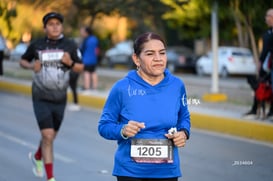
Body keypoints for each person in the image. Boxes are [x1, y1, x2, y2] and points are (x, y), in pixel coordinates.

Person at [98, 32, 191, 181]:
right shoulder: (122, 88)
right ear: (136, 59)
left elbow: (184, 116)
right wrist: (123, 130)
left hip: (167, 172)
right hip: (130, 172)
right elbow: (104, 126)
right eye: (150, 54)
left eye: (162, 53)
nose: (158, 59)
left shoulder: (177, 86)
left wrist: (183, 133)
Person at [19, 12, 84, 181]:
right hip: (40, 96)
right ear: (45, 27)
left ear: (61, 26)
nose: (55, 26)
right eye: (51, 24)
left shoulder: (70, 45)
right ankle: (50, 178)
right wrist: (32, 65)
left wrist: (70, 63)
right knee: (47, 136)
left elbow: (80, 67)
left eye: (58, 23)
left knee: (50, 137)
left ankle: (38, 156)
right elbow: (23, 61)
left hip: (60, 97)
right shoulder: (37, 44)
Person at [244, 8, 273, 120]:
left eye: (268, 16)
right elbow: (265, 51)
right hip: (268, 66)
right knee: (261, 87)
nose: (266, 19)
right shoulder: (267, 33)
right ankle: (257, 109)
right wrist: (260, 63)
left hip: (268, 65)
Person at [79, 26, 99, 90]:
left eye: (83, 32)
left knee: (86, 72)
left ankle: (86, 87)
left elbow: (82, 49)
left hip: (86, 59)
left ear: (86, 32)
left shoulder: (86, 40)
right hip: (94, 59)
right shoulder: (95, 39)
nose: (82, 33)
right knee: (93, 72)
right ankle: (94, 87)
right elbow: (97, 49)